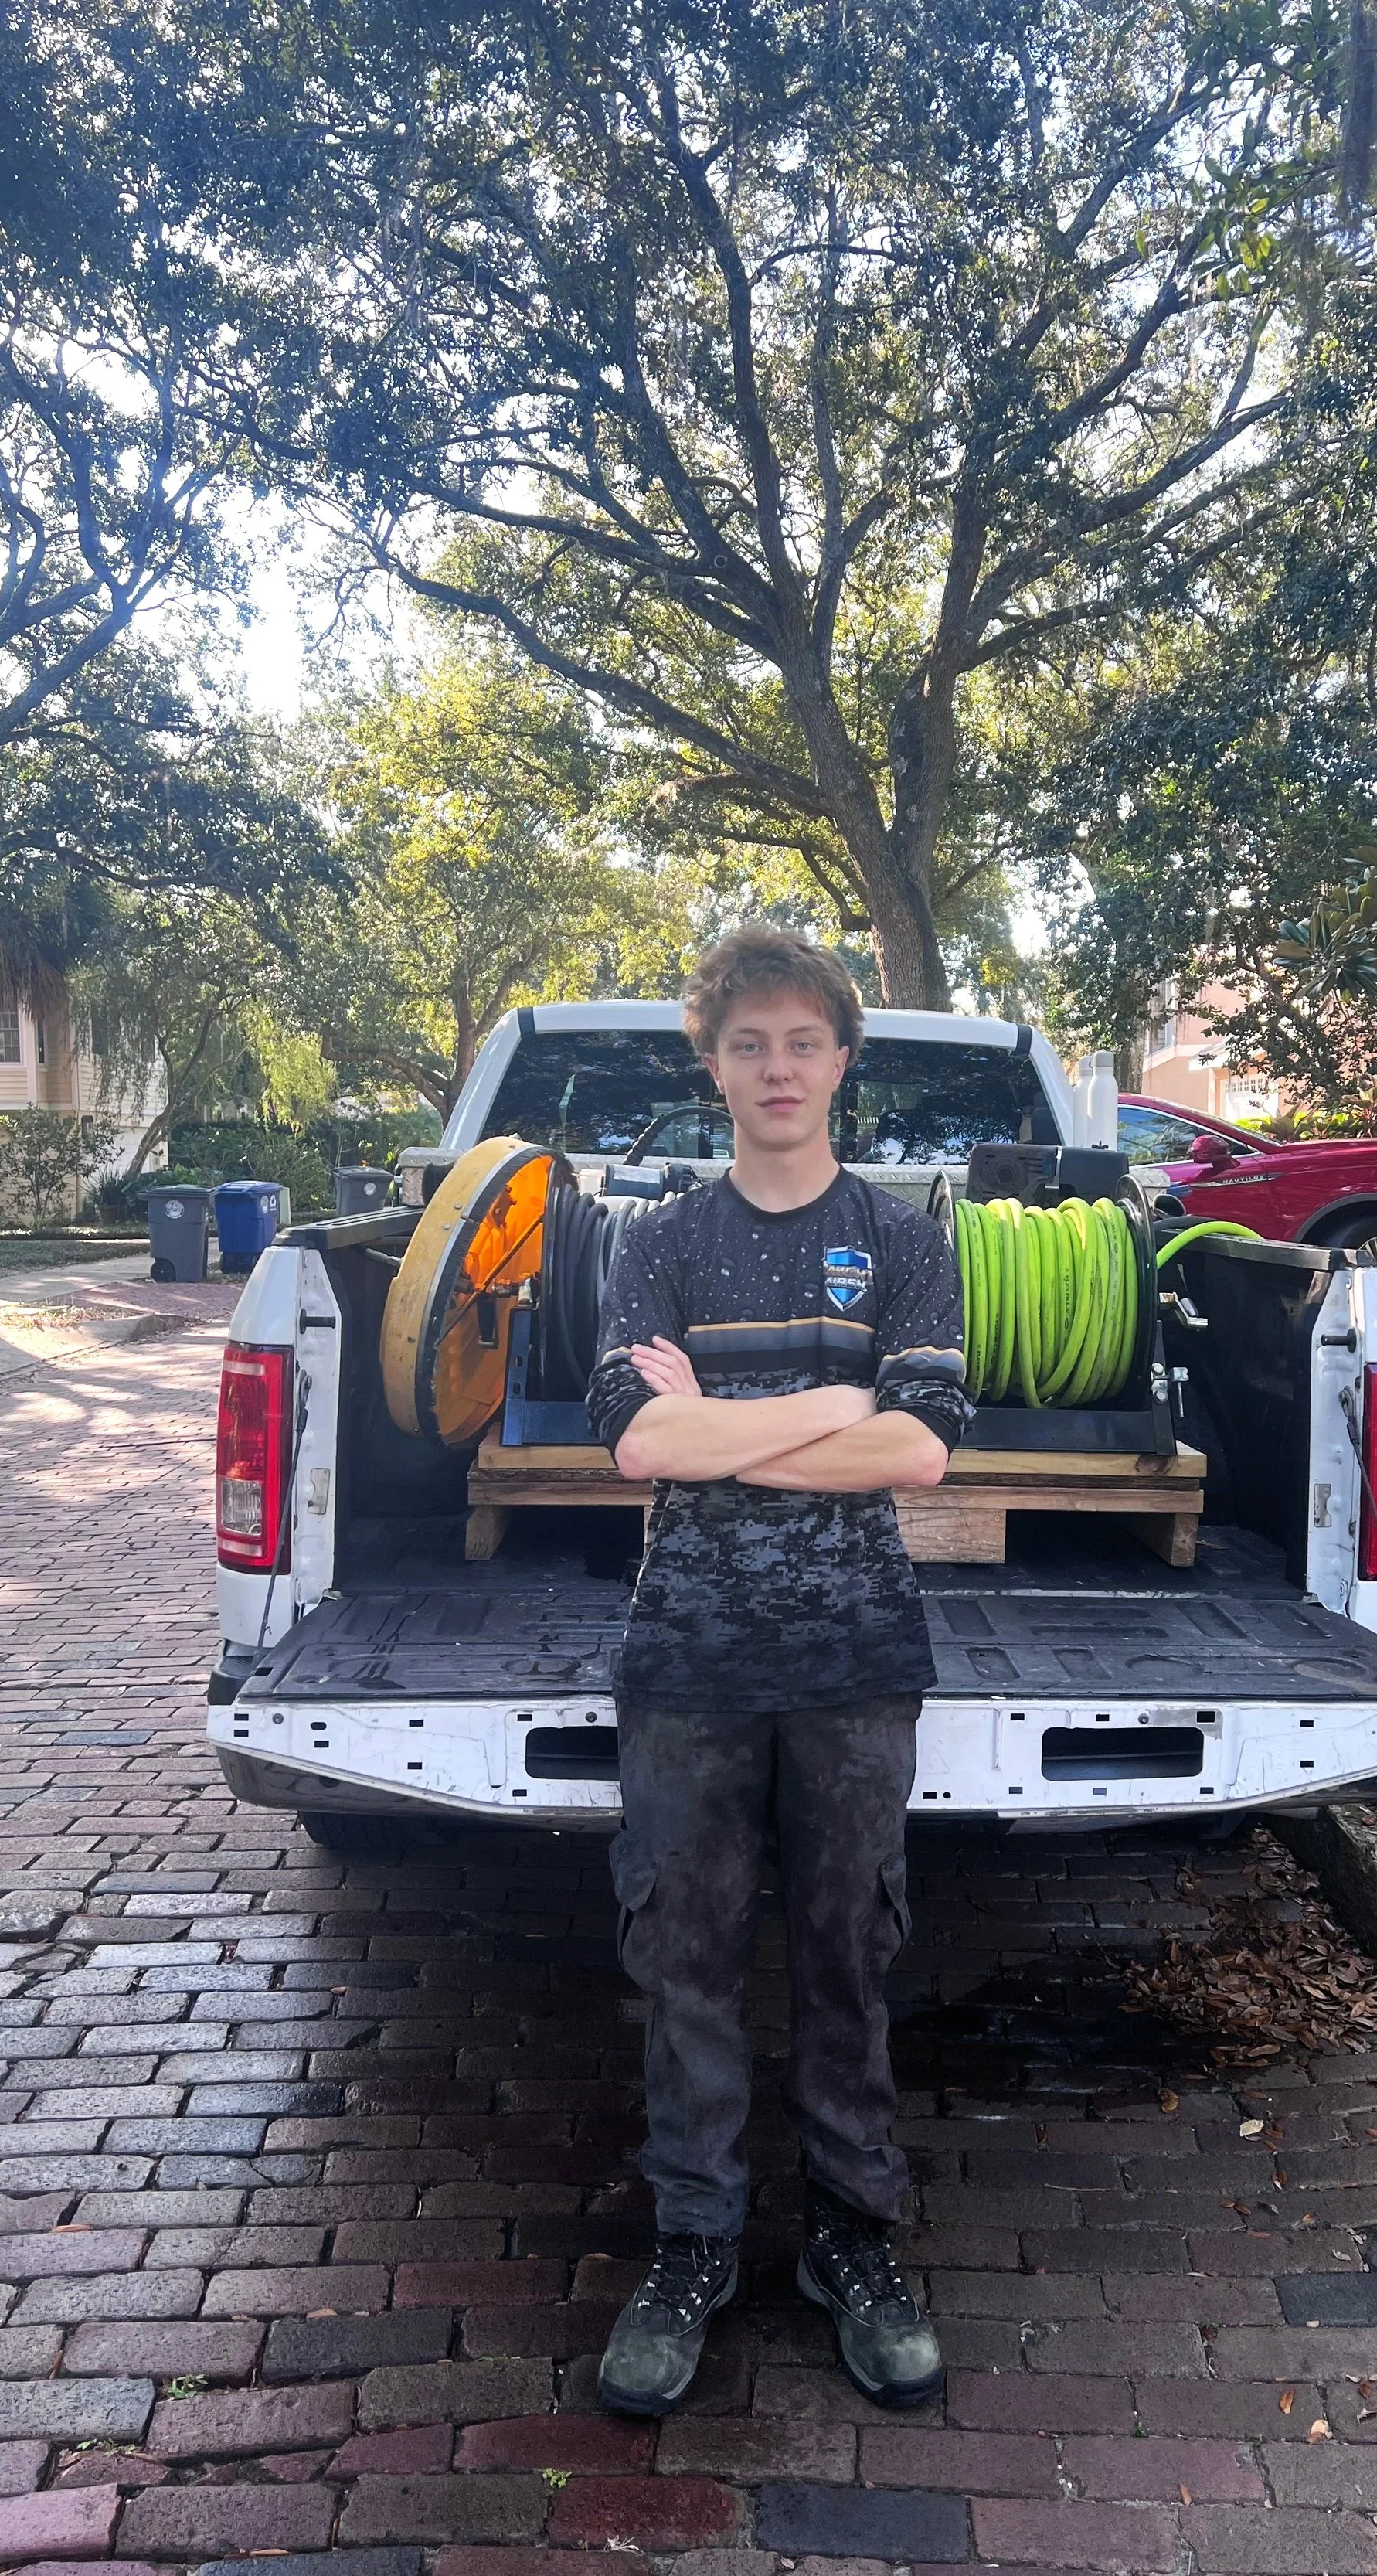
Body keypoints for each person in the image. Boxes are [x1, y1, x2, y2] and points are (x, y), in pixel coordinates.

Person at [585, 924, 972, 2418]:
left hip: (854, 1656)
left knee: (845, 1955)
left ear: (841, 1058)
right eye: (748, 1042)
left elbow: (920, 1446)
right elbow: (642, 1442)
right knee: (680, 1956)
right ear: (712, 1065)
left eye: (802, 1040)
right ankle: (694, 2247)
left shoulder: (909, 1231)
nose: (777, 1067)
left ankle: (852, 2246)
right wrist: (828, 1396)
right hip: (686, 1654)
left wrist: (734, 1420)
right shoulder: (660, 1239)